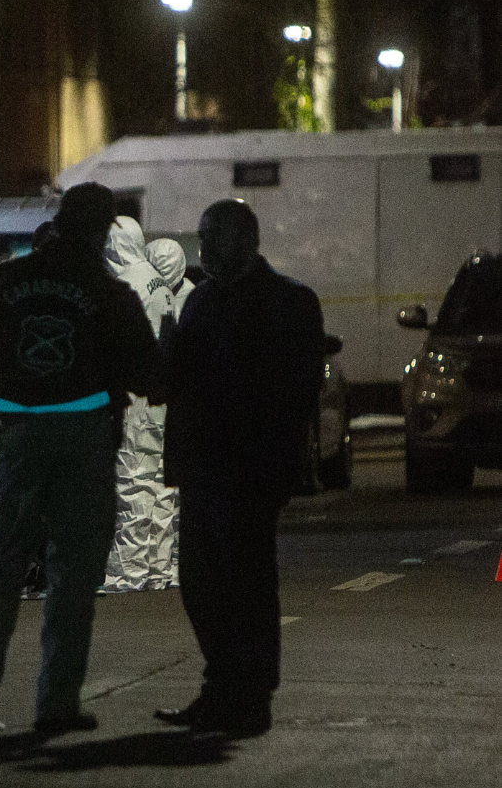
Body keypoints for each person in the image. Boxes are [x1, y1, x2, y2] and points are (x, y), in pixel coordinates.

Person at [0, 183, 159, 736]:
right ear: (102, 230)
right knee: (73, 579)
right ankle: (56, 703)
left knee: (2, 569)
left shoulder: (3, 282)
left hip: (18, 436)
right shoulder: (110, 294)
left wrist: (16, 373)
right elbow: (149, 375)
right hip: (86, 440)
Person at [153, 199, 323, 737]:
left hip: (251, 466)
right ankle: (224, 685)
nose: (203, 248)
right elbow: (182, 378)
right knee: (199, 581)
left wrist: (282, 461)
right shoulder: (202, 300)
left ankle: (250, 695)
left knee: (246, 581)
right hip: (204, 463)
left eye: (212, 237)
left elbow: (298, 389)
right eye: (202, 237)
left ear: (244, 239)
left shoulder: (288, 301)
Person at [102, 217, 176, 593]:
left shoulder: (128, 285)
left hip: (134, 399)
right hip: (158, 396)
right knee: (156, 484)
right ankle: (157, 566)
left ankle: (126, 572)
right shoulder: (156, 280)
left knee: (131, 483)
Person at [143, 237, 195, 584]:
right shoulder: (184, 297)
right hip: (164, 401)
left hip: (176, 403)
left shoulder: (190, 299)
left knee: (170, 489)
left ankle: (170, 560)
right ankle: (161, 559)